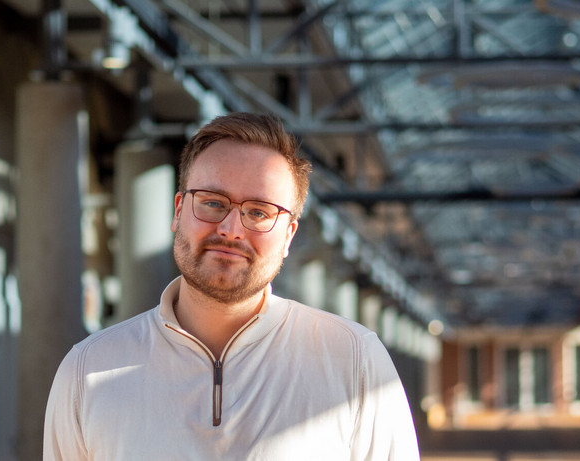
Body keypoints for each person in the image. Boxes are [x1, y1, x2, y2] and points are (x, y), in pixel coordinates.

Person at [44, 112, 420, 460]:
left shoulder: (355, 361)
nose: (230, 229)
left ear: (289, 236)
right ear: (178, 211)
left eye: (259, 212)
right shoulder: (87, 370)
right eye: (211, 202)